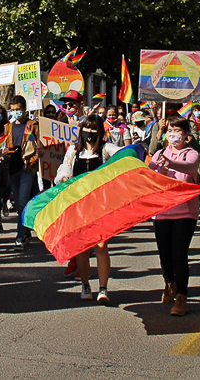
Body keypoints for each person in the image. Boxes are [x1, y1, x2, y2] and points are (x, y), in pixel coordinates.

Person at [54, 114, 120, 304]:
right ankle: (85, 284)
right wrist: (64, 178)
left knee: (101, 246)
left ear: (100, 131)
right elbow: (63, 169)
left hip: (101, 204)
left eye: (93, 129)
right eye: (86, 128)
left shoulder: (107, 149)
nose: (89, 133)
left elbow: (125, 155)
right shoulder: (74, 151)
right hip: (79, 205)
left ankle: (103, 288)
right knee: (82, 248)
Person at [147, 117, 200, 316]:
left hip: (185, 211)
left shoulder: (192, 154)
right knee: (165, 255)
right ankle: (169, 282)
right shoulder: (161, 153)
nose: (173, 134)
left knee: (179, 254)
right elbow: (149, 173)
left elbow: (189, 168)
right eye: (170, 129)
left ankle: (181, 296)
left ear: (186, 134)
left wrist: (170, 163)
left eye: (178, 130)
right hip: (162, 211)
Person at [0, 95, 40, 250]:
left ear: (24, 109)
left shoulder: (32, 125)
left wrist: (32, 161)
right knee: (19, 202)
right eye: (13, 110)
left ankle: (20, 236)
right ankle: (26, 231)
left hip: (26, 168)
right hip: (13, 167)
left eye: (18, 109)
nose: (15, 112)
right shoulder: (8, 127)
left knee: (22, 201)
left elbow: (39, 146)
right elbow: (5, 145)